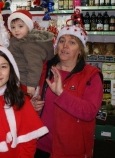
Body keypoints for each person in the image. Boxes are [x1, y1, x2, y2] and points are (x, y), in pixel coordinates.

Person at [33, 22, 103, 158]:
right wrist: (33, 104)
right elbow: (33, 95)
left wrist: (61, 94)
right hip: (40, 145)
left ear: (80, 50)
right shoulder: (45, 68)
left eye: (72, 42)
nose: (65, 46)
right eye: (62, 41)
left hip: (71, 150)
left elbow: (89, 112)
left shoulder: (91, 76)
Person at [7, 10, 54, 97]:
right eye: (13, 27)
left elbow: (35, 64)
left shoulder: (29, 44)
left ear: (28, 27)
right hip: (17, 79)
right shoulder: (16, 40)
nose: (16, 30)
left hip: (25, 82)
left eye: (20, 26)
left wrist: (31, 85)